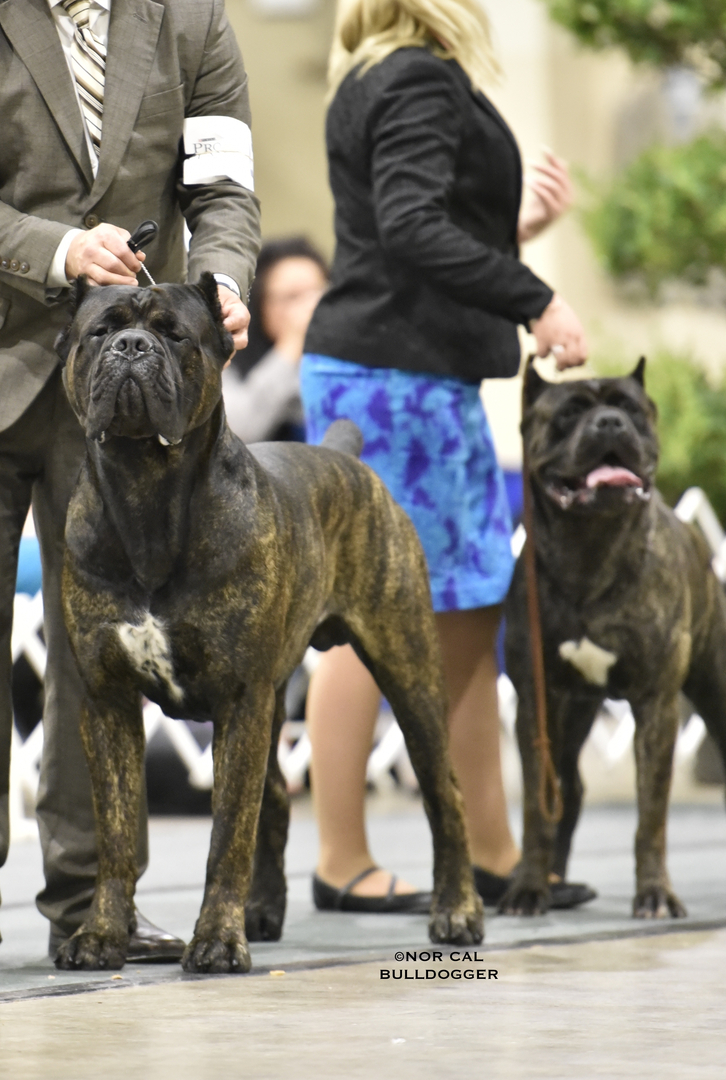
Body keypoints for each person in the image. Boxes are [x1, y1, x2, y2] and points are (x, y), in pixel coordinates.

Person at [0, 0, 261, 969]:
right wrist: (62, 251)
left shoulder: (191, 21)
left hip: (124, 387)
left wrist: (218, 285)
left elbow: (222, 190)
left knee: (101, 657)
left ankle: (97, 895)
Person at [300, 0, 594, 912]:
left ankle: (494, 852)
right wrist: (536, 297)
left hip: (414, 374)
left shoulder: (378, 74)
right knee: (367, 616)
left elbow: (416, 239)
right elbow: (409, 225)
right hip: (392, 385)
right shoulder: (419, 77)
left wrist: (512, 231)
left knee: (465, 610)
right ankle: (341, 860)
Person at [222, 238, 328, 444]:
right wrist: (290, 347)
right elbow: (238, 431)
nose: (310, 308)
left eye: (318, 295)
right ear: (260, 304)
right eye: (292, 297)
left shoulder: (337, 357)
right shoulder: (228, 352)